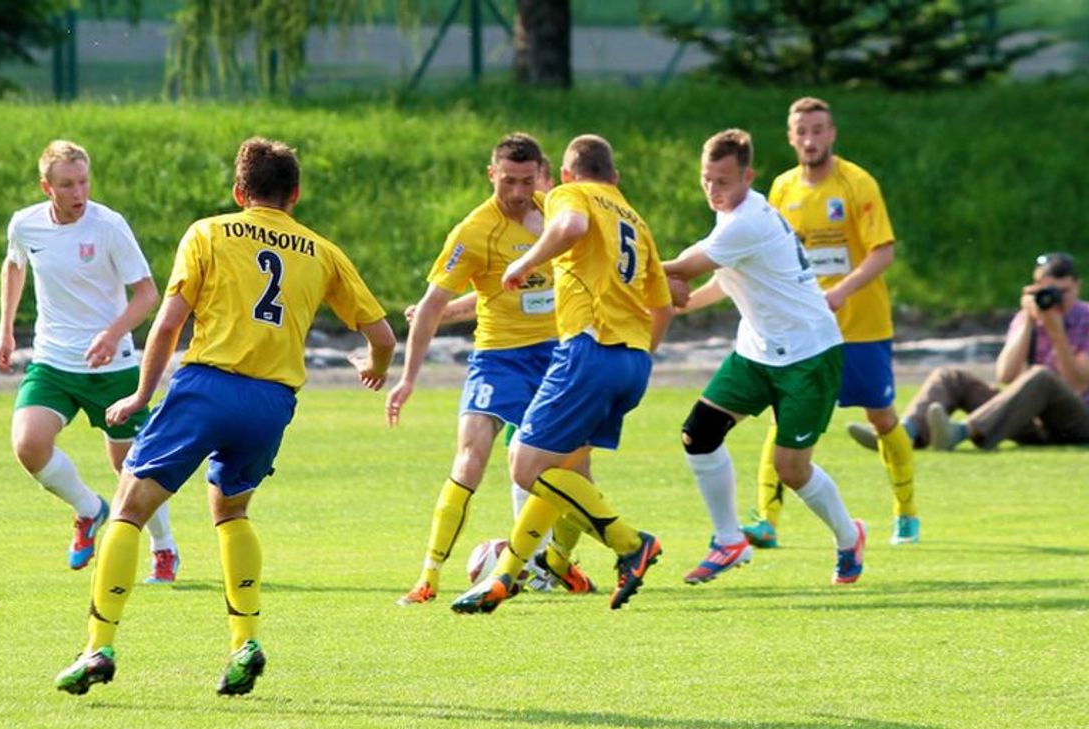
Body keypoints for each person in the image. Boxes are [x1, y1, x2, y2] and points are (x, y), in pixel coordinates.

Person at [53, 137, 396, 697]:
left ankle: (97, 648)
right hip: (272, 404)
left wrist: (141, 396)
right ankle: (245, 642)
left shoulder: (209, 233)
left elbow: (166, 327)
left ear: (240, 192)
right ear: (296, 195)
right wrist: (374, 366)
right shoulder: (322, 251)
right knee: (231, 510)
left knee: (129, 507)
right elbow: (381, 335)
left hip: (208, 386)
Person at [451, 133, 675, 614]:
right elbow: (664, 305)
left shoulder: (569, 196)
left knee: (525, 464)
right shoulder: (635, 219)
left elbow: (570, 226)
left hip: (588, 350)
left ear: (567, 174)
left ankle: (629, 542)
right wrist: (640, 355)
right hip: (634, 362)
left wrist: (527, 260)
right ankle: (511, 575)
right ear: (614, 177)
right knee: (561, 468)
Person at [386, 133, 595, 606]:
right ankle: (429, 576)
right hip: (497, 360)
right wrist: (408, 378)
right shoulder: (474, 230)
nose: (518, 192)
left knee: (574, 470)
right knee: (472, 455)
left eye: (526, 181)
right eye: (507, 181)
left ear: (541, 174)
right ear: (491, 175)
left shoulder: (559, 215)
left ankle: (555, 563)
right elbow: (435, 301)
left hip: (555, 357)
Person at [665, 128, 866, 586]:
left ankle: (848, 535)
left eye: (724, 181)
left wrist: (616, 264)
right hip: (757, 352)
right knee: (698, 434)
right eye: (706, 180)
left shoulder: (748, 221)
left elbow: (684, 267)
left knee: (791, 470)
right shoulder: (730, 220)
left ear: (748, 176)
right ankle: (728, 540)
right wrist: (683, 302)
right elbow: (720, 280)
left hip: (809, 354)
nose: (713, 191)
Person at [0, 140, 181, 583]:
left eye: (83, 182)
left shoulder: (108, 226)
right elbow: (13, 266)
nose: (78, 192)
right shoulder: (26, 225)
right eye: (67, 185)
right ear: (46, 187)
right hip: (53, 362)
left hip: (111, 368)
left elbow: (147, 294)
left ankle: (164, 548)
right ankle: (89, 509)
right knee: (28, 445)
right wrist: (5, 330)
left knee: (133, 467)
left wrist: (112, 334)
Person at [749, 96, 919, 546]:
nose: (810, 139)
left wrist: (842, 290)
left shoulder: (857, 184)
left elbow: (883, 251)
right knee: (782, 415)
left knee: (880, 416)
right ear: (790, 138)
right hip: (804, 329)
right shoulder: (782, 190)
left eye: (818, 130)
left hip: (861, 325)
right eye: (802, 132)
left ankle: (906, 510)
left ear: (832, 133)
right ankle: (766, 520)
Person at [853, 253, 1089, 452]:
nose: (1055, 300)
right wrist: (1028, 320)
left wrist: (1057, 334)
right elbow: (1005, 374)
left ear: (1077, 287)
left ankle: (962, 432)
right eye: (1046, 291)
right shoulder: (1030, 315)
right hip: (1028, 416)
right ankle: (903, 434)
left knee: (1042, 376)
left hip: (1080, 421)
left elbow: (1078, 384)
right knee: (950, 376)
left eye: (1062, 292)